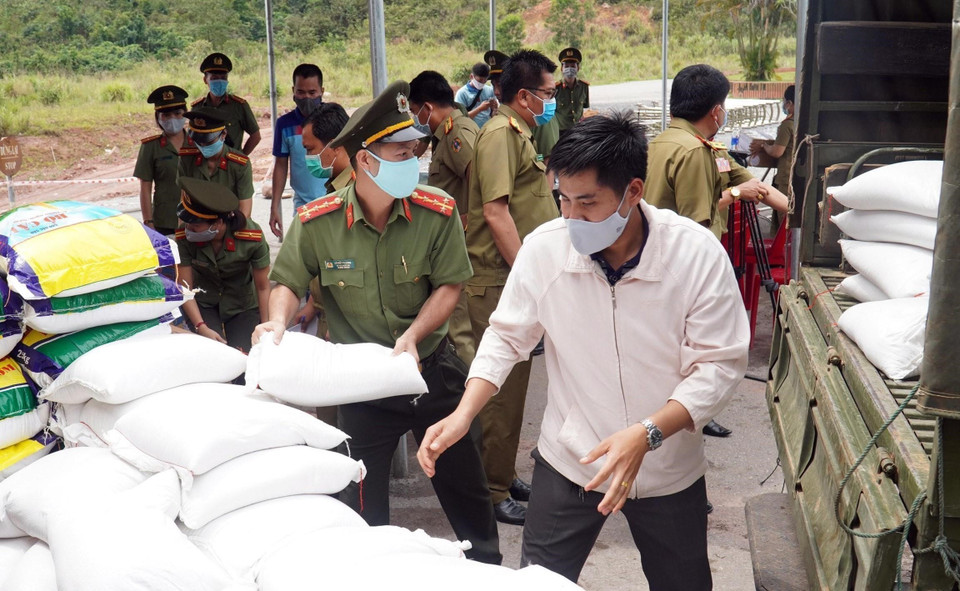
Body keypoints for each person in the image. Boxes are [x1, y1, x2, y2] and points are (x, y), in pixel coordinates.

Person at [418, 112, 749, 588]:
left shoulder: (693, 254)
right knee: (538, 581)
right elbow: (507, 335)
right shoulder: (546, 249)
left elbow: (718, 365)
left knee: (683, 581)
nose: (571, 217)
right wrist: (465, 413)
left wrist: (648, 433)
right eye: (563, 199)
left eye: (588, 203)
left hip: (666, 464)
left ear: (633, 192)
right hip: (572, 457)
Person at [251, 80, 501, 566]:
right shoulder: (318, 220)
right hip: (362, 390)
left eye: (415, 150)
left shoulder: (437, 211)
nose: (415, 160)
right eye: (402, 152)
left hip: (432, 374)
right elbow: (287, 280)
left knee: (468, 493)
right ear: (366, 160)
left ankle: (490, 569)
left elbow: (450, 285)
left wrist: (412, 336)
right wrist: (276, 323)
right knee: (361, 508)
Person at [645, 64, 787, 439]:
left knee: (681, 341)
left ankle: (689, 410)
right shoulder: (691, 151)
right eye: (722, 106)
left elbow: (746, 182)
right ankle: (681, 413)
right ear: (715, 111)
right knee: (692, 341)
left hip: (666, 258)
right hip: (684, 262)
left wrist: (798, 208)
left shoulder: (683, 144)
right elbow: (695, 222)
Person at [466, 49, 560, 525]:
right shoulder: (500, 134)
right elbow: (495, 212)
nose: (551, 100)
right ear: (524, 96)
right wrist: (528, 276)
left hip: (513, 276)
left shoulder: (518, 131)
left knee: (517, 385)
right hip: (500, 279)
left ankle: (501, 474)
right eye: (547, 93)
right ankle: (490, 487)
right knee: (499, 389)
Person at [409, 70, 480, 366]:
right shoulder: (444, 134)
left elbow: (480, 184)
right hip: (450, 242)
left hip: (459, 244)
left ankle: (471, 400)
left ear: (427, 107)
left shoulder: (456, 133)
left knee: (459, 329)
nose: (416, 119)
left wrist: (463, 223)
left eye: (415, 112)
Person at [175, 177, 270, 353]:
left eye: (195, 226)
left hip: (242, 303)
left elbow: (263, 287)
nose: (188, 229)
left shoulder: (251, 238)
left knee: (244, 356)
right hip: (204, 302)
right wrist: (201, 326)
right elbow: (185, 288)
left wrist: (265, 327)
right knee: (212, 354)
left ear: (218, 223)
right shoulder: (185, 237)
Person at [292, 102, 352, 339]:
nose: (307, 157)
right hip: (329, 312)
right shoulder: (335, 188)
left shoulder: (356, 193)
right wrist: (313, 305)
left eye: (310, 149)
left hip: (347, 322)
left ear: (334, 145)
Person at [269, 63, 329, 240]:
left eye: (312, 93)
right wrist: (274, 206)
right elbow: (280, 166)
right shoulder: (284, 124)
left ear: (322, 91)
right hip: (303, 210)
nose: (307, 98)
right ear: (293, 91)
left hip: (336, 204)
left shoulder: (334, 119)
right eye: (301, 92)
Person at [179, 107, 254, 218]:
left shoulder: (240, 165)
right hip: (198, 226)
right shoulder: (187, 159)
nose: (203, 145)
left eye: (208, 141)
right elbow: (185, 202)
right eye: (199, 141)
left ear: (223, 134)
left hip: (230, 225)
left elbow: (244, 212)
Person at [135, 85, 189, 236]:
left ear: (185, 113)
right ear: (158, 118)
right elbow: (145, 188)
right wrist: (148, 222)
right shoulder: (150, 146)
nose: (172, 119)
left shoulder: (198, 142)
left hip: (197, 222)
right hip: (164, 222)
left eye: (178, 113)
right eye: (166, 115)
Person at [191, 52, 261, 155]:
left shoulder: (239, 106)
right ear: (205, 80)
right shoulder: (198, 108)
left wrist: (240, 158)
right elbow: (193, 140)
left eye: (223, 78)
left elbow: (256, 136)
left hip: (231, 167)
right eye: (214, 78)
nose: (219, 81)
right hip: (206, 166)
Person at [750, 84, 795, 229]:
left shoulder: (787, 125)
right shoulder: (801, 123)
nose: (784, 105)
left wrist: (764, 146)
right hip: (796, 176)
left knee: (784, 217)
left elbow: (777, 152)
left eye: (785, 101)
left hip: (785, 177)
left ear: (790, 103)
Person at [554, 47, 590, 137]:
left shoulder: (584, 87)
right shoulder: (555, 88)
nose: (570, 69)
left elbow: (584, 108)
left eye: (573, 66)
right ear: (562, 68)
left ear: (578, 68)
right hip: (560, 133)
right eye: (567, 66)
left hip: (578, 131)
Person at [455, 63, 498, 128]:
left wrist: (495, 108)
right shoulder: (462, 93)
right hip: (471, 131)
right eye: (480, 80)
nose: (482, 83)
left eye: (485, 80)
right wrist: (480, 109)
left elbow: (493, 114)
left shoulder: (489, 90)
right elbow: (460, 118)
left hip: (486, 130)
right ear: (472, 77)